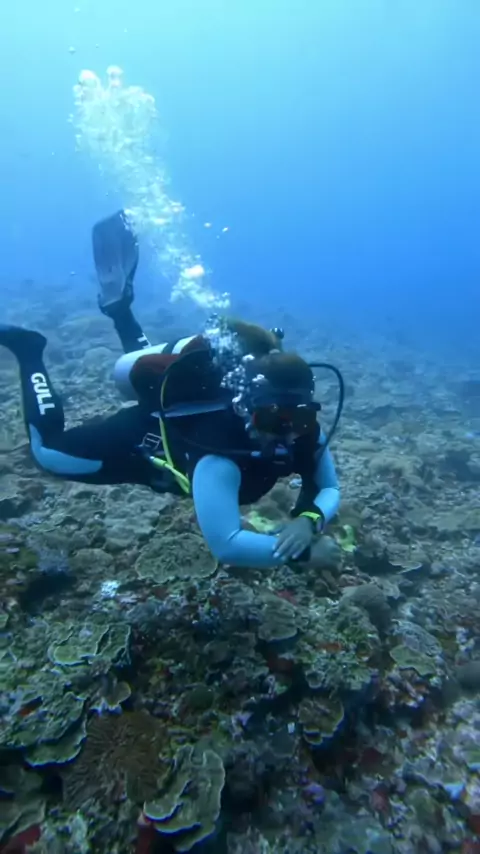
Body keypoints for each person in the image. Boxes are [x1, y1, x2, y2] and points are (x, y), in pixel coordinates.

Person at [0, 211, 340, 568]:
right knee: (46, 453)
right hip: (140, 438)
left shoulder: (304, 429)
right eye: (271, 420)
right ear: (247, 410)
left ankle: (120, 312)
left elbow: (329, 487)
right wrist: (306, 555)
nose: (287, 433)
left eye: (298, 420)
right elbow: (226, 544)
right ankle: (29, 350)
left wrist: (309, 519)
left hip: (182, 407)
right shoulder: (219, 448)